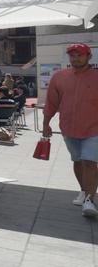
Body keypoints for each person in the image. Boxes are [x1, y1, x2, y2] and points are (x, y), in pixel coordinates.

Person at [43, 43, 98, 218]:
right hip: (68, 128)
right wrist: (46, 123)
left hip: (94, 129)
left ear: (89, 57)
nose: (75, 58)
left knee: (89, 162)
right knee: (77, 161)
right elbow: (51, 102)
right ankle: (83, 190)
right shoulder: (59, 77)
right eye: (72, 55)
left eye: (79, 55)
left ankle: (90, 199)